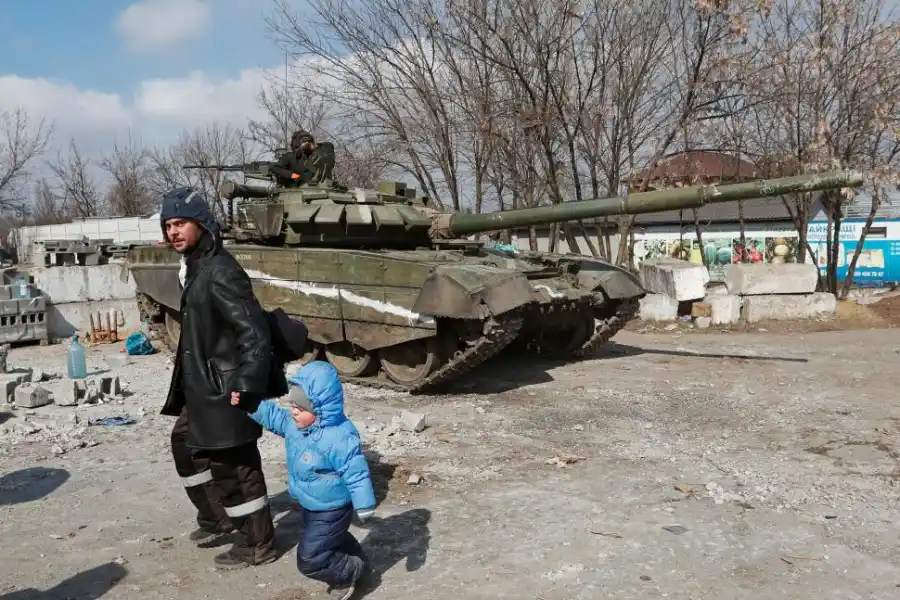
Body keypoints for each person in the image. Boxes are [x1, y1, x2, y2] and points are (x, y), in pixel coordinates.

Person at [159, 186, 278, 569]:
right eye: (168, 225)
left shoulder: (220, 270)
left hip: (226, 387)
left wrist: (247, 384)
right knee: (185, 443)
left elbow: (253, 331)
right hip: (203, 385)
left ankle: (256, 542)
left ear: (202, 224)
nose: (173, 232)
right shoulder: (195, 266)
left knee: (235, 465)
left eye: (181, 223)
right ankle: (218, 517)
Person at [233, 361, 376, 600]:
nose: (294, 411)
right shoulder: (295, 425)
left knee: (310, 559)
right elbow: (274, 417)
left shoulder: (339, 436)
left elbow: (356, 472)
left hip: (332, 507)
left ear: (320, 408)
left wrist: (365, 504)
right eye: (293, 405)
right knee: (332, 539)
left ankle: (351, 571)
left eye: (301, 407)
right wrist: (251, 404)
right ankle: (357, 560)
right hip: (309, 503)